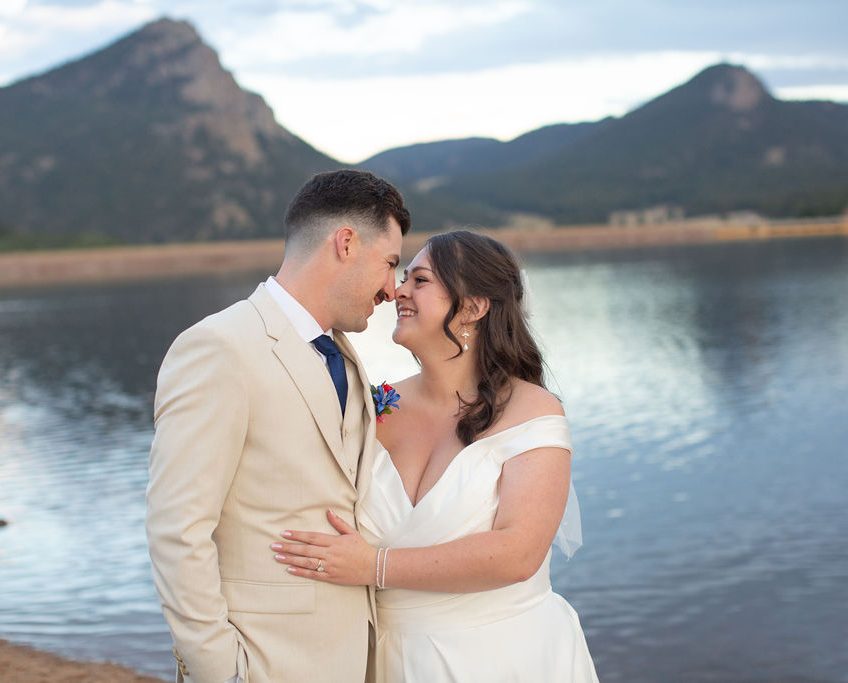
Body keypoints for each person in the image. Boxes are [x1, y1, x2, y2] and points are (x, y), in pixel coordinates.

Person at [270, 230, 599, 682]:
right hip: (387, 662)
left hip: (504, 658)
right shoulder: (372, 407)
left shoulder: (531, 410)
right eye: (403, 277)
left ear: (473, 306)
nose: (397, 290)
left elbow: (519, 553)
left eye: (419, 280)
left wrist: (373, 566)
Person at [145, 170, 410, 683]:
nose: (391, 289)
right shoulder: (220, 347)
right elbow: (177, 529)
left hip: (355, 658)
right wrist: (221, 671)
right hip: (265, 663)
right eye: (390, 263)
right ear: (347, 243)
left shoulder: (346, 359)